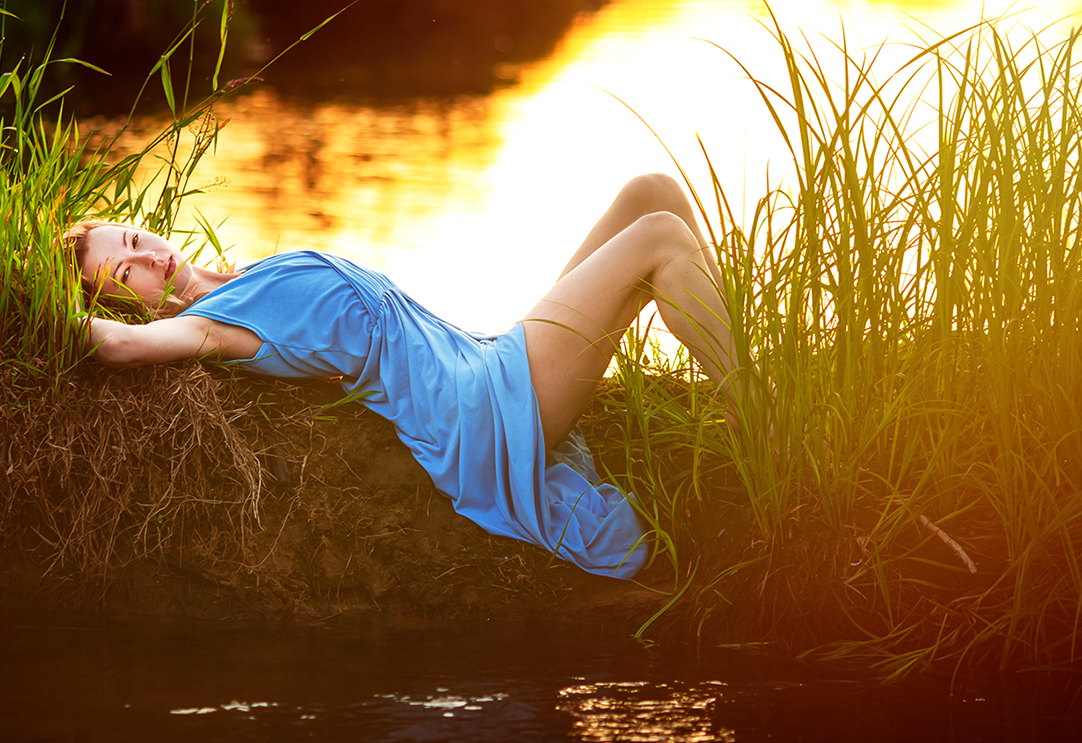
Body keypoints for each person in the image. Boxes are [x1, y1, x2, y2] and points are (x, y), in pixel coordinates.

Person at [65, 174, 743, 580]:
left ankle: (740, 358)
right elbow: (117, 345)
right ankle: (761, 415)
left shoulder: (243, 274)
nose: (148, 259)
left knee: (652, 194)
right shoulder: (212, 324)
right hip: (482, 414)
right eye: (128, 276)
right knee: (659, 234)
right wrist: (34, 298)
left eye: (132, 241)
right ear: (130, 303)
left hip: (483, 359)